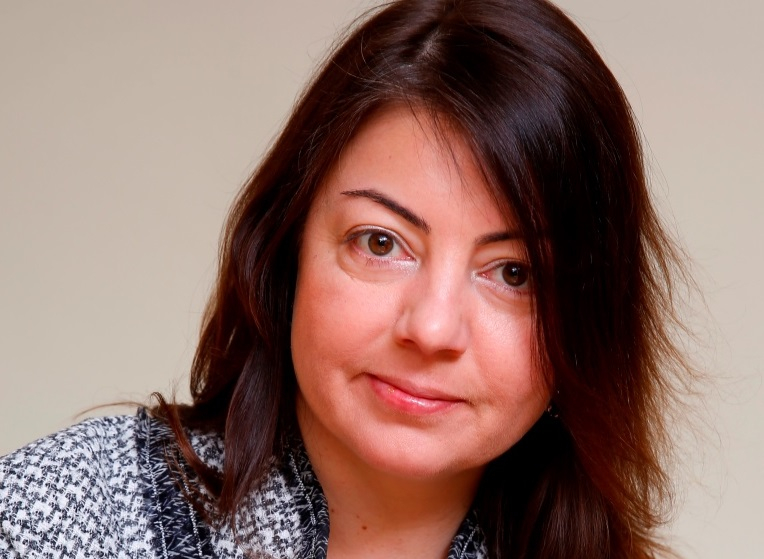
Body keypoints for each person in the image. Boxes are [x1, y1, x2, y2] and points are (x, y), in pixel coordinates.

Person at [0, 0, 695, 558]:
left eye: (514, 273)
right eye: (381, 242)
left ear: (589, 320)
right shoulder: (61, 520)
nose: (431, 328)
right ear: (287, 249)